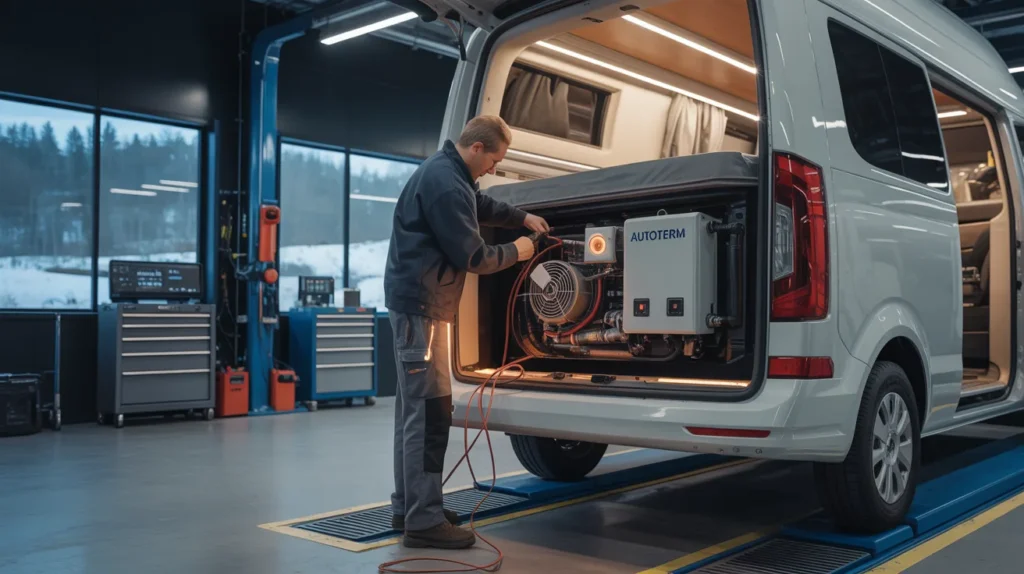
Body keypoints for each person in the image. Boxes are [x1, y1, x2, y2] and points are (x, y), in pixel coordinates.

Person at [383, 115, 549, 549]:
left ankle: (410, 507)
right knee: (430, 414)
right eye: (495, 160)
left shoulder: (450, 173)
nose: (495, 167)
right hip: (422, 312)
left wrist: (522, 216)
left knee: (412, 413)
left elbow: (480, 205)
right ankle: (423, 522)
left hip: (417, 306)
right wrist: (518, 251)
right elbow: (474, 256)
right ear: (477, 148)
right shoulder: (445, 184)